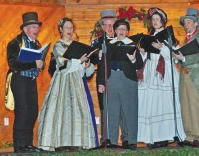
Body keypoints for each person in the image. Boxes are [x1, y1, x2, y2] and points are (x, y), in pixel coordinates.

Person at [38, 17, 97, 151]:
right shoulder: (58, 45)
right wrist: (78, 61)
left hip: (76, 81)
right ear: (61, 30)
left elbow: (81, 70)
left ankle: (76, 141)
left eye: (71, 28)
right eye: (66, 28)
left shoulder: (77, 45)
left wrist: (85, 64)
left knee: (77, 110)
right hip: (62, 81)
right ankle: (60, 142)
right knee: (61, 110)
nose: (69, 30)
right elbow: (62, 64)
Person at [137, 7, 186, 148]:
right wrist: (143, 51)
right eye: (153, 20)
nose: (155, 21)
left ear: (163, 21)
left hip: (165, 74)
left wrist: (161, 47)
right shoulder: (149, 35)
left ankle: (167, 136)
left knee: (164, 105)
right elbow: (147, 57)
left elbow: (174, 57)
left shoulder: (169, 36)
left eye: (158, 19)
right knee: (152, 105)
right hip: (151, 71)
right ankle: (153, 136)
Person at [96, 19, 143, 150]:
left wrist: (133, 59)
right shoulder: (109, 45)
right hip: (111, 79)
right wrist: (101, 82)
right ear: (115, 31)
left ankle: (131, 140)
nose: (121, 31)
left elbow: (139, 65)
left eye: (124, 29)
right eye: (119, 29)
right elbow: (102, 65)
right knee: (112, 111)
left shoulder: (132, 45)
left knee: (130, 111)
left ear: (127, 31)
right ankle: (112, 140)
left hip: (128, 80)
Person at [6, 12, 44, 153]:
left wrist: (41, 64)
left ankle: (27, 143)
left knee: (32, 111)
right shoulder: (14, 43)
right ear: (25, 29)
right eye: (34, 27)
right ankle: (19, 144)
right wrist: (33, 63)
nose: (36, 30)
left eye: (37, 27)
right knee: (22, 111)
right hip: (19, 80)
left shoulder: (36, 44)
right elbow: (13, 64)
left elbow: (39, 62)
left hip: (31, 80)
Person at [91, 9, 128, 147]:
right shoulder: (97, 42)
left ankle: (126, 138)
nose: (108, 28)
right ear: (102, 27)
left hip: (122, 78)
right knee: (105, 109)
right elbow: (90, 59)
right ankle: (106, 139)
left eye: (111, 25)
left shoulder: (124, 40)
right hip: (104, 79)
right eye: (105, 25)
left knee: (124, 108)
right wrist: (98, 55)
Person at [173, 8, 199, 147]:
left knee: (195, 105)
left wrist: (183, 57)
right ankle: (189, 135)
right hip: (183, 76)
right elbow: (183, 57)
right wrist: (177, 58)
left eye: (189, 21)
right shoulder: (185, 39)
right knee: (185, 106)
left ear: (196, 24)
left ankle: (198, 137)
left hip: (195, 76)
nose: (186, 24)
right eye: (185, 22)